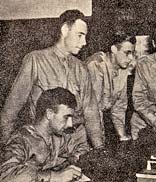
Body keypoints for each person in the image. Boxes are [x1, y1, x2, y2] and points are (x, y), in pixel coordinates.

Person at [0, 10, 104, 148]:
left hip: (75, 145)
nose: (84, 42)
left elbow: (91, 113)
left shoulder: (81, 68)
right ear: (65, 30)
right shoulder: (36, 60)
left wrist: (99, 150)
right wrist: (6, 149)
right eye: (80, 35)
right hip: (43, 147)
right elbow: (10, 112)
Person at [0, 87, 89, 182]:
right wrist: (54, 176)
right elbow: (5, 175)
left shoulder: (55, 137)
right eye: (66, 117)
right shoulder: (22, 139)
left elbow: (77, 150)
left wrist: (70, 163)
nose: (70, 124)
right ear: (49, 114)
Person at [86, 31, 136, 143]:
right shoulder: (96, 65)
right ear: (114, 49)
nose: (131, 58)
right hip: (81, 125)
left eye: (133, 53)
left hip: (97, 121)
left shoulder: (122, 68)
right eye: (127, 53)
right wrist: (100, 144)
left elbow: (119, 108)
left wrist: (122, 136)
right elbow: (94, 111)